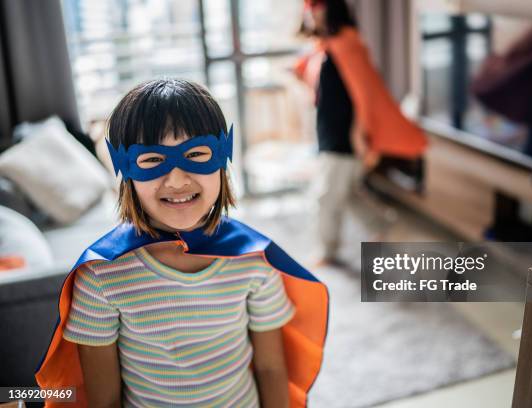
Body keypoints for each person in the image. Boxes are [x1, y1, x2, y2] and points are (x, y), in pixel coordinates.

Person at [35, 79, 328, 407]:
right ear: (125, 169)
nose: (176, 179)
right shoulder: (102, 277)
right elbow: (104, 399)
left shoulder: (254, 261)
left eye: (195, 154)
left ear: (222, 157)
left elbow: (271, 368)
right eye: (152, 160)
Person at [296, 0, 428, 264]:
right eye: (309, 9)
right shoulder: (326, 47)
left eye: (317, 8)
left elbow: (363, 94)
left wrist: (359, 133)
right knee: (347, 192)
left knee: (326, 196)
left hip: (344, 135)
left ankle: (327, 249)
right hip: (329, 130)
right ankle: (384, 225)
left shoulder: (346, 44)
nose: (312, 15)